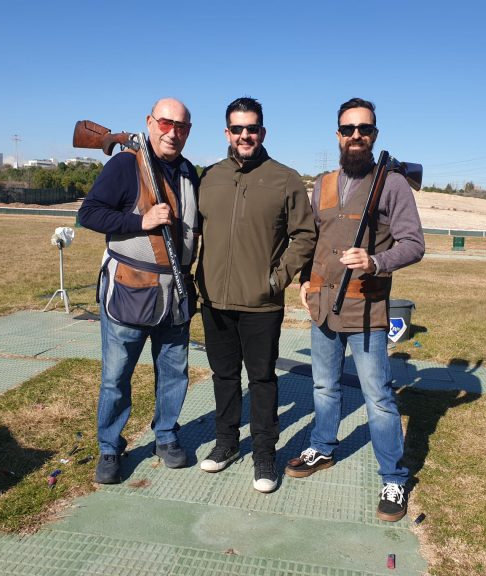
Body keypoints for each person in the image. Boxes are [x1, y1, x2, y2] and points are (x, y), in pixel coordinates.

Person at [285, 97, 425, 521]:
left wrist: (376, 261)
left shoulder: (393, 183)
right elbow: (313, 240)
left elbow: (414, 244)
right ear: (338, 135)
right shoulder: (323, 183)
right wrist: (305, 283)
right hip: (324, 306)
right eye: (348, 129)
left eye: (364, 129)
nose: (356, 136)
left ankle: (394, 479)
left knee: (378, 397)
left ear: (375, 135)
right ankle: (323, 448)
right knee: (324, 388)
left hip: (367, 309)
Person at [196, 97, 317, 493]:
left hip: (261, 303)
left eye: (252, 128)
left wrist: (277, 278)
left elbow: (305, 234)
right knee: (224, 376)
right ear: (227, 133)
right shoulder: (210, 176)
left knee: (262, 379)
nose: (244, 135)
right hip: (214, 300)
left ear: (262, 132)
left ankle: (265, 454)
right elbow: (194, 231)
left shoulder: (285, 178)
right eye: (237, 129)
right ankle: (227, 443)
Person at [78, 98, 200, 484]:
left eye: (181, 126)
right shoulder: (124, 164)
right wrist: (140, 219)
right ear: (150, 122)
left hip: (175, 292)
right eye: (166, 123)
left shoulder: (187, 172)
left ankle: (165, 436)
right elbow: (90, 213)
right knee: (116, 376)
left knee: (175, 373)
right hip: (130, 289)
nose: (173, 132)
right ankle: (110, 448)